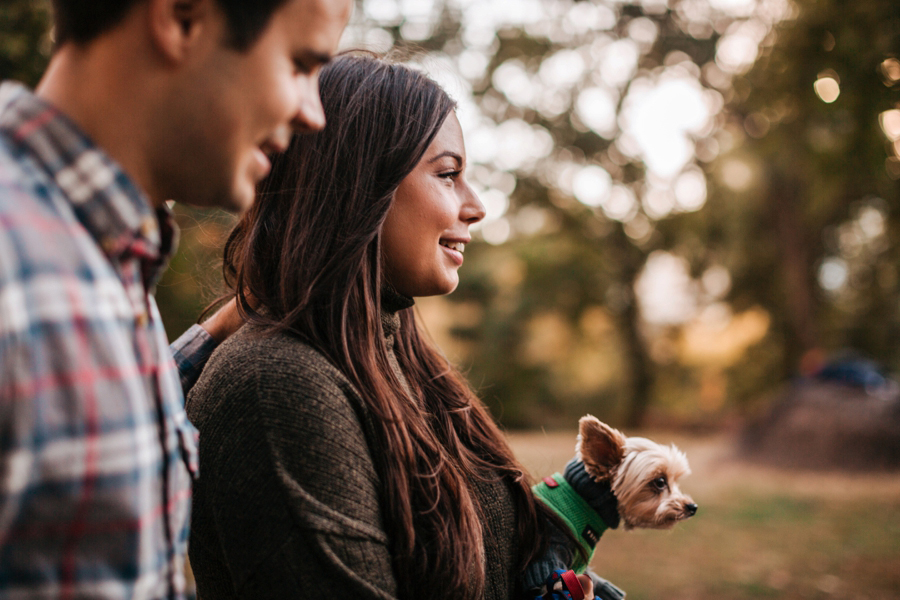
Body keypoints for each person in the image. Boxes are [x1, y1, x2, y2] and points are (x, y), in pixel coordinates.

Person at [185, 53, 615, 600]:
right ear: (359, 184)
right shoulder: (279, 386)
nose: (476, 206)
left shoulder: (397, 358)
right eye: (448, 174)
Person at [0, 0, 350, 596]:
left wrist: (221, 327)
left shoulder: (95, 258)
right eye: (299, 64)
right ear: (182, 19)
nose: (314, 113)